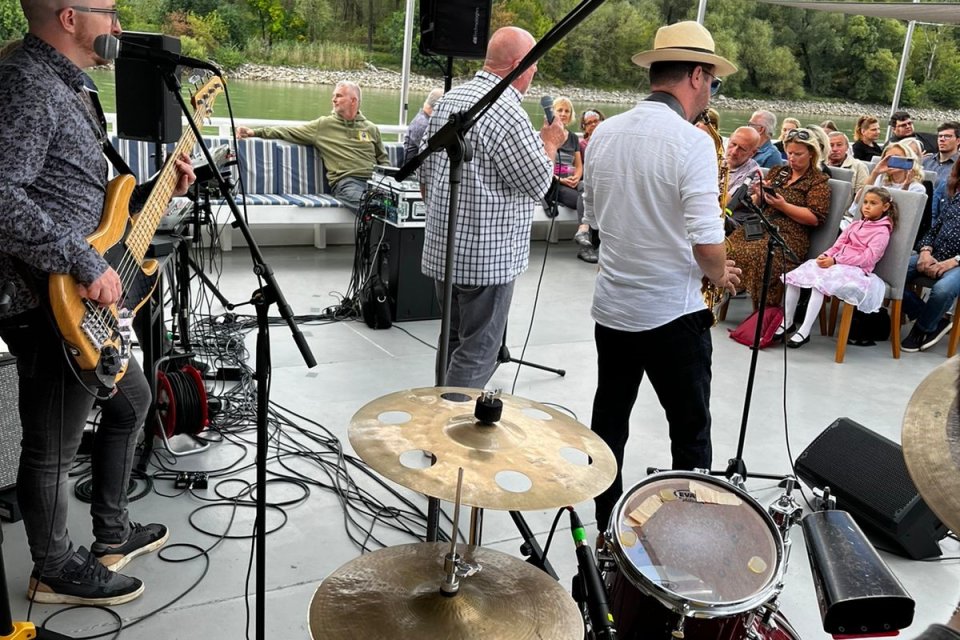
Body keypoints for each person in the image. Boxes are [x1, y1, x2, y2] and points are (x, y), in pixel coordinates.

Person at [0, 0, 196, 605]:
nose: (117, 26)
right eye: (108, 12)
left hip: (82, 294)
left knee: (131, 402)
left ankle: (111, 534)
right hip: (46, 298)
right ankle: (54, 569)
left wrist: (155, 194)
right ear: (69, 18)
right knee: (52, 448)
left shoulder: (72, 85)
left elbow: (82, 198)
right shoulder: (28, 84)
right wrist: (83, 262)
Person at [582, 21, 741, 530]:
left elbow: (595, 220)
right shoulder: (691, 143)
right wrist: (722, 274)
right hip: (673, 313)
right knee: (690, 431)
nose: (710, 92)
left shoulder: (603, 132)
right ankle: (687, 533)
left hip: (613, 308)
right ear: (696, 76)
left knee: (609, 421)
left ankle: (604, 527)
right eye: (712, 81)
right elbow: (707, 243)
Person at [418, 27, 566, 389]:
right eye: (533, 67)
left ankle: (439, 411)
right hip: (487, 259)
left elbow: (423, 169)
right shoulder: (508, 112)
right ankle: (452, 417)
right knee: (479, 349)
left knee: (452, 339)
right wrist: (549, 143)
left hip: (444, 250)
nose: (534, 74)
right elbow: (538, 183)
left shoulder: (451, 100)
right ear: (518, 65)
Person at [237, 81, 388, 212]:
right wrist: (254, 132)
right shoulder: (323, 126)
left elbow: (383, 160)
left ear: (353, 100)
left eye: (339, 96)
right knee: (374, 206)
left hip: (375, 182)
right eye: (333, 96)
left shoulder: (371, 128)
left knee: (392, 205)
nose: (333, 99)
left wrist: (390, 183)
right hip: (348, 183)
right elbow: (288, 131)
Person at [778, 187, 896, 348]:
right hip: (836, 263)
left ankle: (805, 331)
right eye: (865, 202)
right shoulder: (855, 225)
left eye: (873, 203)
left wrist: (835, 260)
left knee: (819, 285)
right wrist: (825, 255)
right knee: (795, 278)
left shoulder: (882, 232)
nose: (867, 206)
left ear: (885, 207)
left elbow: (868, 258)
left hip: (856, 270)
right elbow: (838, 245)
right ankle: (788, 322)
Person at [727, 128, 831, 309]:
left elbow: (815, 217)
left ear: (811, 154)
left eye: (798, 154)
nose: (792, 158)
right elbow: (757, 205)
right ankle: (718, 296)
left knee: (760, 255)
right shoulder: (778, 172)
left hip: (789, 236)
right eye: (789, 153)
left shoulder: (818, 181)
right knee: (727, 247)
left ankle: (763, 310)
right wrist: (759, 196)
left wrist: (783, 206)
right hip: (760, 227)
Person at [902, 159, 960, 353]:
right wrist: (925, 251)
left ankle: (923, 328)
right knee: (888, 274)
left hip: (958, 263)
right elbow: (934, 229)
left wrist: (954, 261)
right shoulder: (955, 194)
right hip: (936, 253)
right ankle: (930, 317)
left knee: (943, 290)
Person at [542, 97, 593, 263]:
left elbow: (578, 165)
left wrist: (577, 176)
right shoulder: (546, 134)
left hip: (572, 181)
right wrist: (561, 179)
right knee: (585, 199)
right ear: (552, 112)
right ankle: (585, 247)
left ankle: (584, 233)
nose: (563, 114)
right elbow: (543, 165)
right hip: (554, 184)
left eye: (567, 111)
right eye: (560, 110)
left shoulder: (572, 138)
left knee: (586, 188)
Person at [573, 108, 604, 263]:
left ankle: (591, 239)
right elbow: (579, 168)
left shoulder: (610, 142)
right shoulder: (581, 144)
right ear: (584, 127)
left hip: (603, 184)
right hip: (586, 182)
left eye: (596, 121)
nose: (593, 125)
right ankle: (585, 235)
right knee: (585, 188)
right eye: (589, 123)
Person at [724, 126, 762, 230]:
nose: (734, 152)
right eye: (733, 144)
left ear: (753, 153)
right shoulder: (716, 158)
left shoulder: (753, 173)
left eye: (742, 149)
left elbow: (725, 202)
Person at [403, 87, 443, 163]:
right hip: (413, 169)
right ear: (436, 108)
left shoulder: (423, 118)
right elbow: (434, 154)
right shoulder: (422, 124)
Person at [922, 122, 960, 189]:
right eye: (940, 136)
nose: (942, 139)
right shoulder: (925, 161)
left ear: (958, 141)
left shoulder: (958, 165)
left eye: (947, 136)